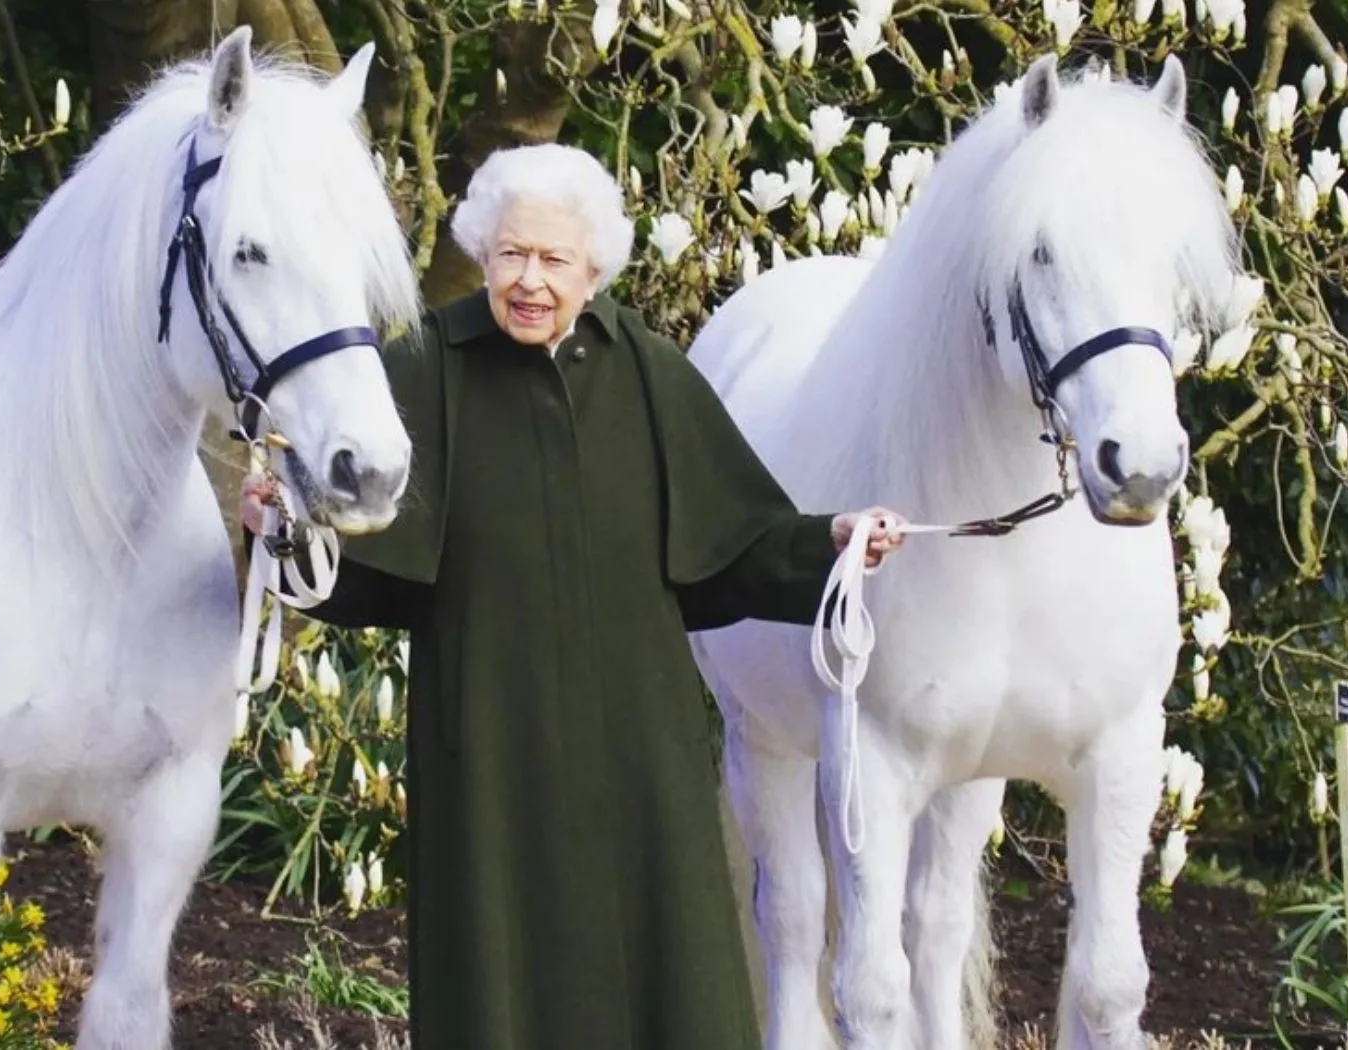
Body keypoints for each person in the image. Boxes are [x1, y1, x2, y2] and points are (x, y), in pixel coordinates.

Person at [238, 142, 907, 1050]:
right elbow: (356, 565)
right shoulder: (428, 366)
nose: (530, 281)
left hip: (643, 758)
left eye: (554, 260)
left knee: (667, 976)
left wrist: (829, 542)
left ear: (594, 270)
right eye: (512, 254)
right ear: (482, 254)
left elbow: (734, 547)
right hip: (488, 757)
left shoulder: (647, 370)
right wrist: (284, 527)